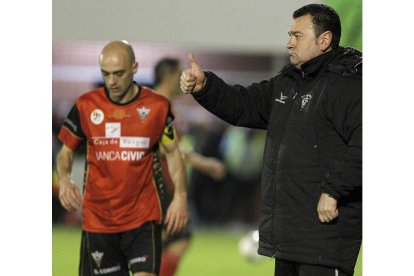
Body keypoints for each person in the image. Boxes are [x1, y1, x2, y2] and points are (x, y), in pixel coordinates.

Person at [180, 4, 362, 276]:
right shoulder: (288, 83)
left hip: (325, 237)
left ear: (325, 40)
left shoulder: (348, 86)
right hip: (288, 237)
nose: (288, 43)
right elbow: (243, 104)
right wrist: (206, 86)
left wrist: (334, 190)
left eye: (297, 36)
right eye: (290, 35)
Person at [56, 40, 188, 276]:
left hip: (143, 220)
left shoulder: (157, 107)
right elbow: (65, 152)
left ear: (135, 67)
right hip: (99, 222)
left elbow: (173, 153)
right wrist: (64, 179)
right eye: (105, 74)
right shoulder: (86, 106)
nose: (112, 81)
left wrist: (179, 196)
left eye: (119, 73)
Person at [152, 58, 226, 276]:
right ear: (167, 77)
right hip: (158, 185)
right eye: (178, 75)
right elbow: (167, 148)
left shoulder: (164, 105)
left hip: (165, 184)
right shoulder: (156, 105)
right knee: (179, 238)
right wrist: (205, 164)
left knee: (165, 243)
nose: (182, 79)